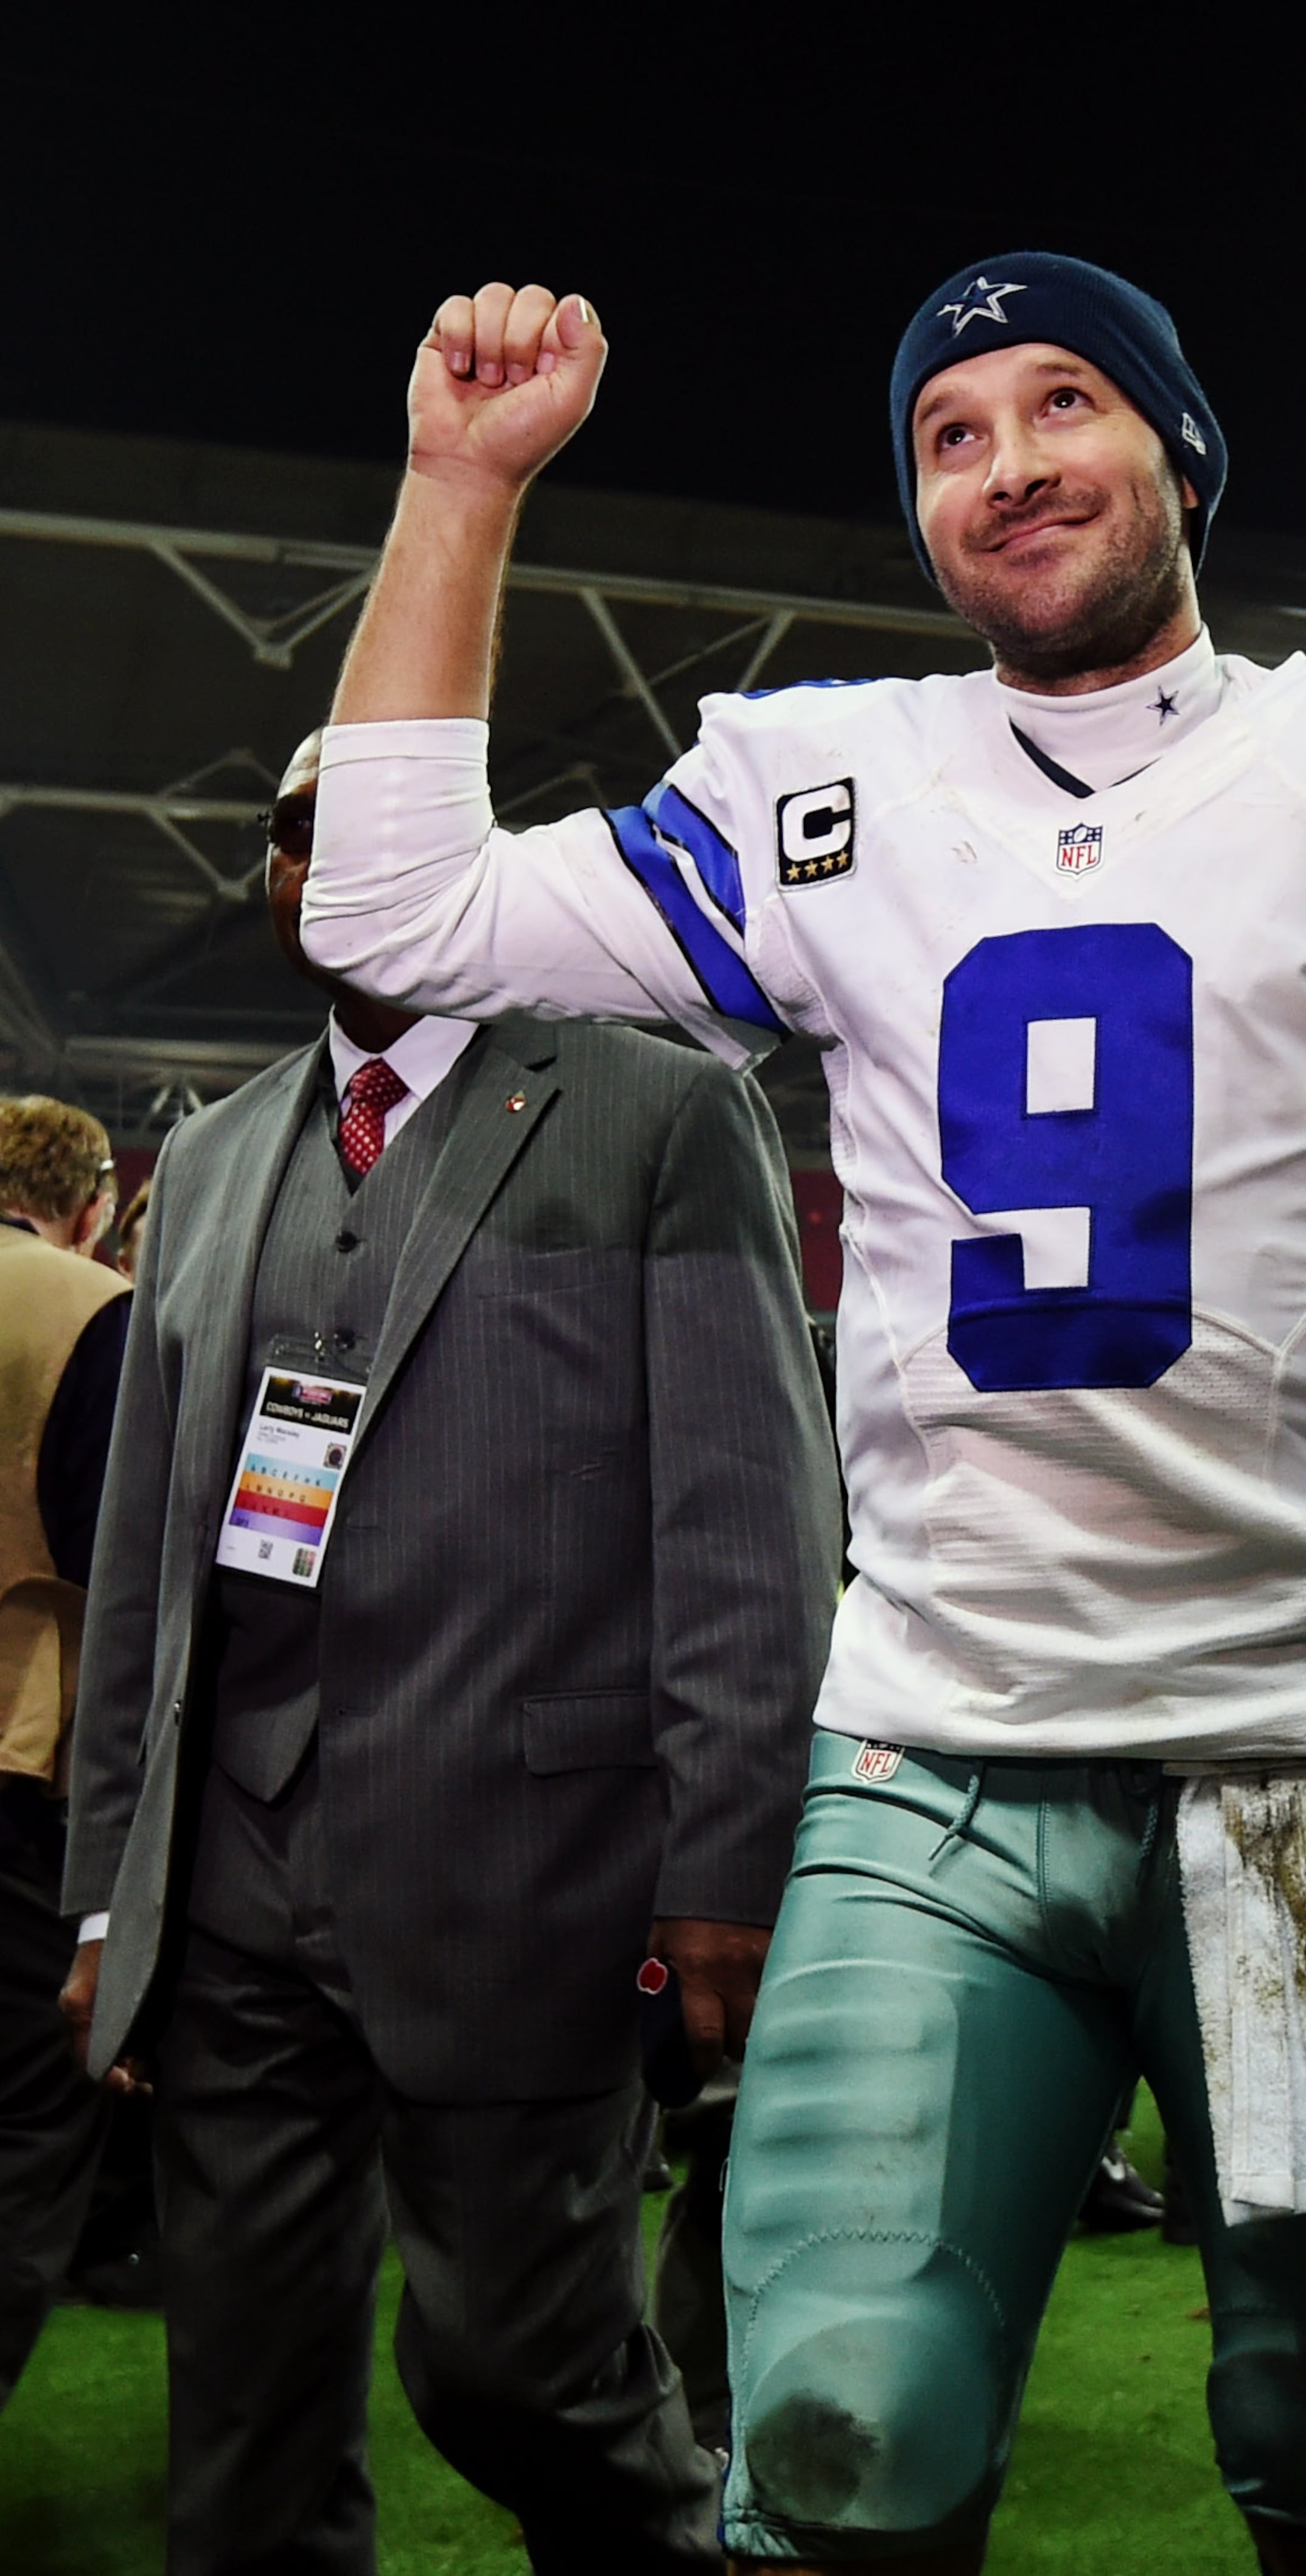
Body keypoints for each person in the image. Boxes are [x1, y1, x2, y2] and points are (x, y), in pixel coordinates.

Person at [302, 259, 1306, 2576]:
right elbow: (394, 911)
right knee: (838, 2429)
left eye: (1064, 402)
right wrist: (463, 480)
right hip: (935, 1748)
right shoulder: (823, 784)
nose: (1009, 463)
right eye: (949, 433)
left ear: (1181, 450)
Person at [59, 734, 841, 2571]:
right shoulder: (221, 1148)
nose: (323, 865)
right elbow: (145, 1564)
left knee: (516, 2368)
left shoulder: (655, 1109)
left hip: (532, 1872)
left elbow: (745, 1512)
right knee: (238, 2414)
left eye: (367, 831)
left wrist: (729, 1850)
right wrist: (114, 1882)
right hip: (236, 1885)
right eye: (291, 835)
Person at [0, 1096, 131, 2409]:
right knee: (29, 2123)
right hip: (19, 1772)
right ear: (93, 1200)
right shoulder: (85, 1308)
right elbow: (117, 1568)